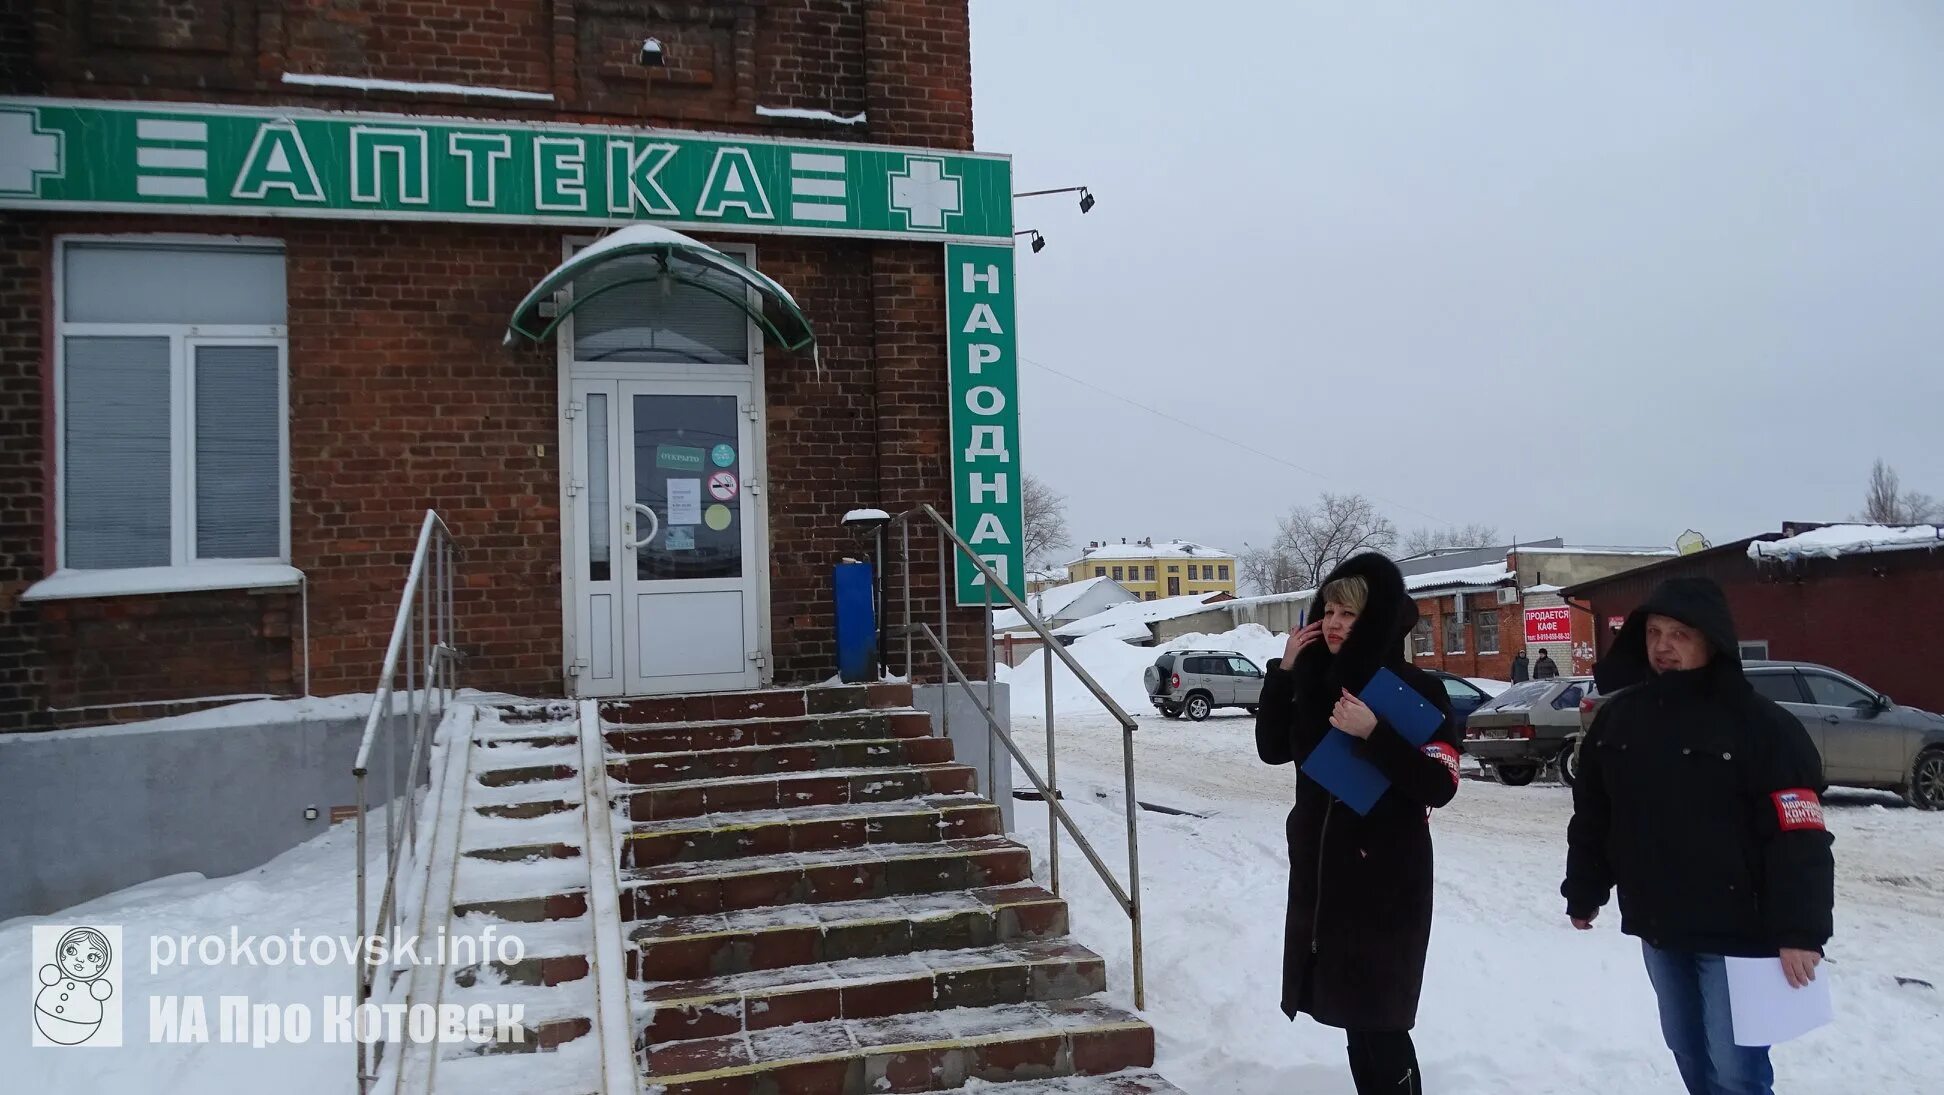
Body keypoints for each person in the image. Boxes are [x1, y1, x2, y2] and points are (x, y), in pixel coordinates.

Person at [1563, 577, 1834, 1095]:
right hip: (1660, 926)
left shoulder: (1763, 727)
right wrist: (1585, 889)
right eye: (1655, 633)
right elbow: (1594, 816)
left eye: (1680, 634)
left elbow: (1799, 836)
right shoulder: (1619, 720)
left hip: (1739, 932)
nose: (1663, 646)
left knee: (1736, 1072)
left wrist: (1800, 931)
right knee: (1687, 1051)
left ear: (1712, 640)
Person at [1256, 553, 1464, 1095]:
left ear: (1374, 621)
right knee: (1352, 1019)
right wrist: (1283, 675)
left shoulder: (1418, 689)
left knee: (1383, 1022)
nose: (1333, 623)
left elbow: (1439, 785)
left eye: (1349, 614)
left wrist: (1376, 733)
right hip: (1328, 879)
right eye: (1328, 611)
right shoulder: (1316, 685)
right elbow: (1272, 749)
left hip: (1388, 882)